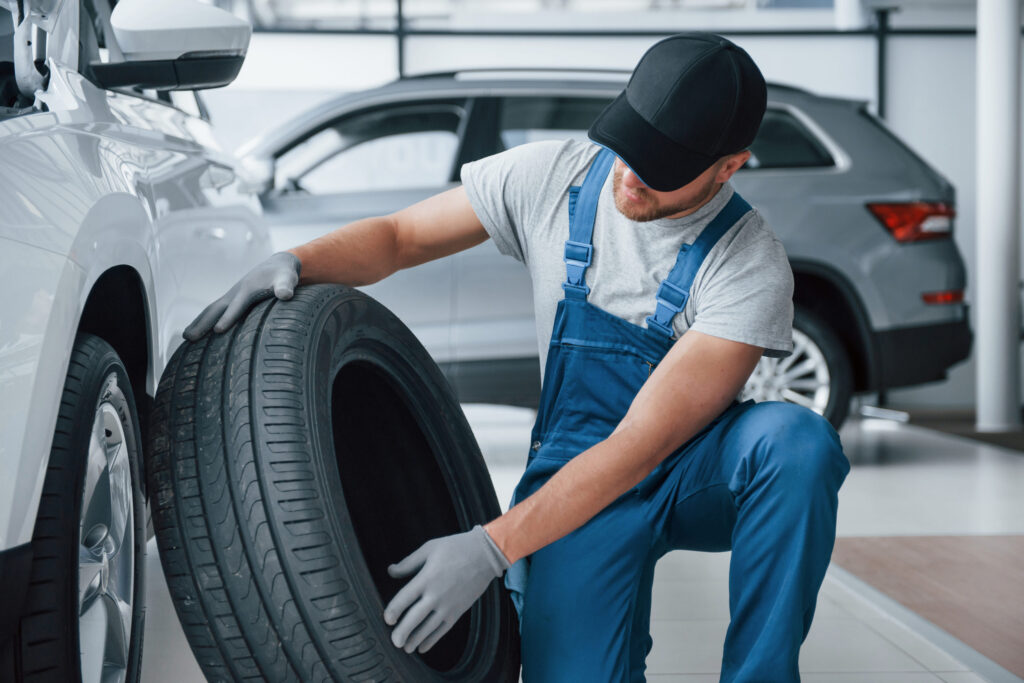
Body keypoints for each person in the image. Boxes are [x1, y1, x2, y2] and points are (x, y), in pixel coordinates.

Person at [184, 32, 850, 682]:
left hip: (692, 469)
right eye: (628, 145)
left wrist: (493, 544)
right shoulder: (554, 176)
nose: (630, 175)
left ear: (729, 166)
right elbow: (400, 236)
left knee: (797, 443)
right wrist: (300, 261)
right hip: (577, 470)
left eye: (661, 168)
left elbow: (643, 446)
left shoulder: (748, 261)